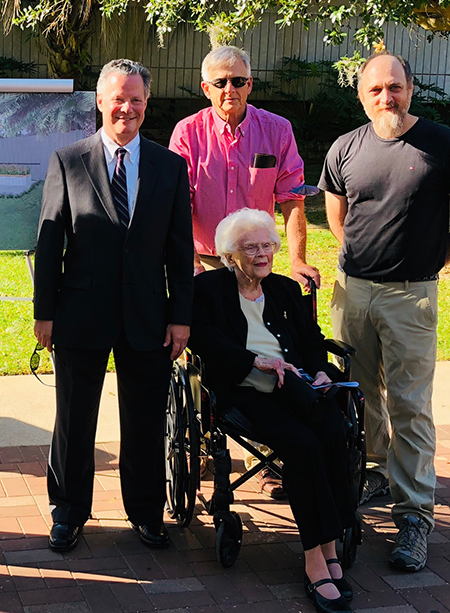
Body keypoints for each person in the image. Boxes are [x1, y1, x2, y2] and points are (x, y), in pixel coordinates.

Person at [320, 51, 450, 572]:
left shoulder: (444, 145)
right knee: (358, 394)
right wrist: (362, 269)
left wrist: (425, 265)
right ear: (362, 95)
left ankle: (414, 517)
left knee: (410, 405)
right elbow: (337, 216)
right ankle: (373, 471)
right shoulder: (346, 147)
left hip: (412, 295)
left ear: (411, 89)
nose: (386, 97)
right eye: (375, 90)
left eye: (395, 87)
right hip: (355, 293)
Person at [34, 59, 194, 552]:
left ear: (147, 104)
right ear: (100, 101)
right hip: (80, 314)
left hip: (148, 317)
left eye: (137, 99)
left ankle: (145, 511)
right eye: (118, 98)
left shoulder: (170, 166)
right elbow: (49, 241)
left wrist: (180, 316)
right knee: (74, 420)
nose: (127, 108)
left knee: (145, 420)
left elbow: (179, 248)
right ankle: (68, 512)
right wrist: (44, 312)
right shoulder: (68, 160)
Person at [188, 208, 356, 613]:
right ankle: (315, 560)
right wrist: (252, 362)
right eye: (251, 248)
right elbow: (204, 340)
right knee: (301, 445)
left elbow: (312, 339)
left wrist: (317, 370)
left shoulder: (282, 289)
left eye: (267, 245)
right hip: (246, 393)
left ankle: (331, 545)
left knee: (335, 432)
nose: (262, 254)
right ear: (230, 255)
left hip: (296, 389)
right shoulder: (209, 290)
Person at [170, 45, 317, 498]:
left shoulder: (277, 130)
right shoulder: (188, 133)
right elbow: (177, 206)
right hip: (209, 261)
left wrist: (293, 260)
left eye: (239, 81)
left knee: (271, 343)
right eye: (221, 82)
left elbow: (293, 200)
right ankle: (208, 443)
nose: (230, 89)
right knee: (214, 351)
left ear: (251, 84)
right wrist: (190, 266)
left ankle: (271, 453)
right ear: (205, 88)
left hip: (259, 258)